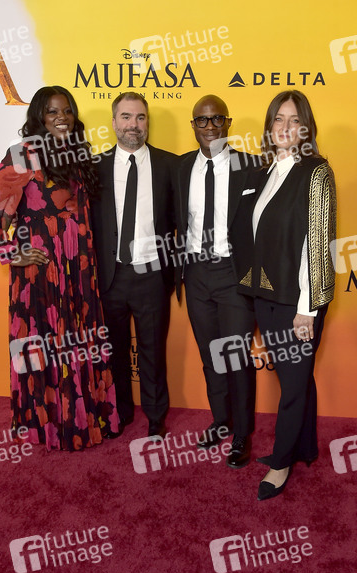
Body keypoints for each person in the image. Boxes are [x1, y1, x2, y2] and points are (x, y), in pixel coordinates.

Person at [0, 85, 118, 451]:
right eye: (53, 111)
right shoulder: (26, 153)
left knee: (77, 339)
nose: (61, 118)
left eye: (67, 110)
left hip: (79, 267)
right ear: (39, 116)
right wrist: (9, 250)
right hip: (42, 270)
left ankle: (84, 418)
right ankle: (49, 425)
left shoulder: (76, 152)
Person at [235, 90, 336, 499]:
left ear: (306, 128)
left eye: (295, 120)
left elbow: (317, 243)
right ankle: (304, 447)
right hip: (265, 295)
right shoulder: (262, 172)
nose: (285, 127)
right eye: (278, 119)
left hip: (298, 302)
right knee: (295, 376)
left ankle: (280, 464)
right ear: (269, 125)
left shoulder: (316, 172)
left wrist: (307, 309)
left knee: (292, 386)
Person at [175, 94, 260, 468]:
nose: (209, 127)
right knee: (211, 356)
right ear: (193, 125)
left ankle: (242, 432)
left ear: (228, 122)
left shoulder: (251, 166)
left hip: (234, 275)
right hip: (195, 274)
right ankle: (221, 421)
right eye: (202, 120)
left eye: (216, 119)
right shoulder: (180, 168)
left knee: (236, 357)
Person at [91, 92, 176, 439]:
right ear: (114, 122)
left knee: (153, 351)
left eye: (140, 118)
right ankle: (121, 412)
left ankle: (156, 416)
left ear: (147, 123)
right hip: (110, 276)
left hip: (152, 275)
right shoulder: (94, 167)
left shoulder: (169, 165)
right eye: (126, 117)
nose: (133, 125)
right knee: (116, 351)